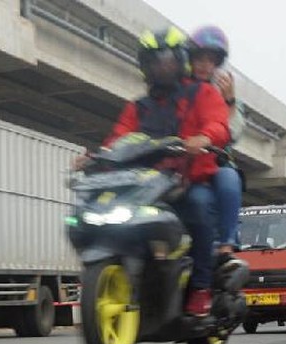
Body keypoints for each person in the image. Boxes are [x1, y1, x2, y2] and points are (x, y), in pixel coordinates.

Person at [100, 27, 231, 316]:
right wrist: (96, 156)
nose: (162, 67)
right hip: (147, 182)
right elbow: (118, 137)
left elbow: (220, 124)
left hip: (188, 178)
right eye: (154, 62)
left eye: (168, 60)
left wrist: (204, 138)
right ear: (145, 66)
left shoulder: (202, 92)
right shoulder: (139, 106)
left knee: (198, 206)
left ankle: (200, 287)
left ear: (181, 60)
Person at [189, 25, 244, 264]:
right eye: (199, 58)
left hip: (211, 163)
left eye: (210, 60)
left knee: (229, 180)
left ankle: (226, 244)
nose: (204, 65)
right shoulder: (175, 89)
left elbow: (232, 131)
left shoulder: (221, 93)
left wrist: (229, 100)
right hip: (178, 164)